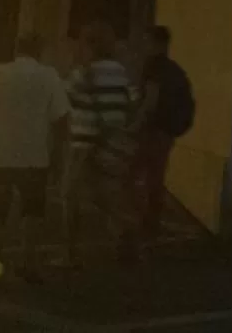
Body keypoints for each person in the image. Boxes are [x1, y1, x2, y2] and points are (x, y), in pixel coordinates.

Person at [0, 34, 69, 283]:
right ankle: (29, 264)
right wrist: (59, 156)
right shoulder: (49, 76)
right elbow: (61, 118)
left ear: (17, 50)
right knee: (32, 211)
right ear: (40, 51)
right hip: (34, 156)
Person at [63, 22, 136, 265]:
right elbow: (130, 100)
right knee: (105, 196)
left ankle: (69, 253)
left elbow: (68, 98)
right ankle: (124, 236)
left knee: (70, 196)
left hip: (83, 143)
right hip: (111, 142)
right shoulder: (119, 71)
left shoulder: (83, 72)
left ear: (89, 45)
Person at [136, 26, 193, 241]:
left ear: (155, 42)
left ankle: (139, 225)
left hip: (151, 130)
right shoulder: (174, 69)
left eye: (146, 41)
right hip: (167, 132)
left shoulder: (153, 66)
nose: (143, 46)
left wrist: (134, 125)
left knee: (133, 176)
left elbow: (150, 100)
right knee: (156, 178)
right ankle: (152, 225)